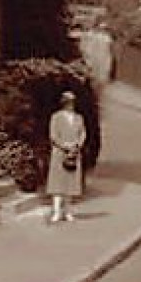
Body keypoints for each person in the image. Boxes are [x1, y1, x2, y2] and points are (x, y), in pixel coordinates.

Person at [47, 90, 88, 223]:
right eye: (68, 102)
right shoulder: (56, 117)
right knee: (58, 183)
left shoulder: (79, 118)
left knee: (71, 184)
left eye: (72, 102)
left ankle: (69, 212)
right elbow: (53, 135)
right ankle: (57, 212)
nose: (70, 105)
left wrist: (77, 144)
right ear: (63, 103)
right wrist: (63, 145)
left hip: (74, 154)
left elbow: (83, 133)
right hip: (60, 153)